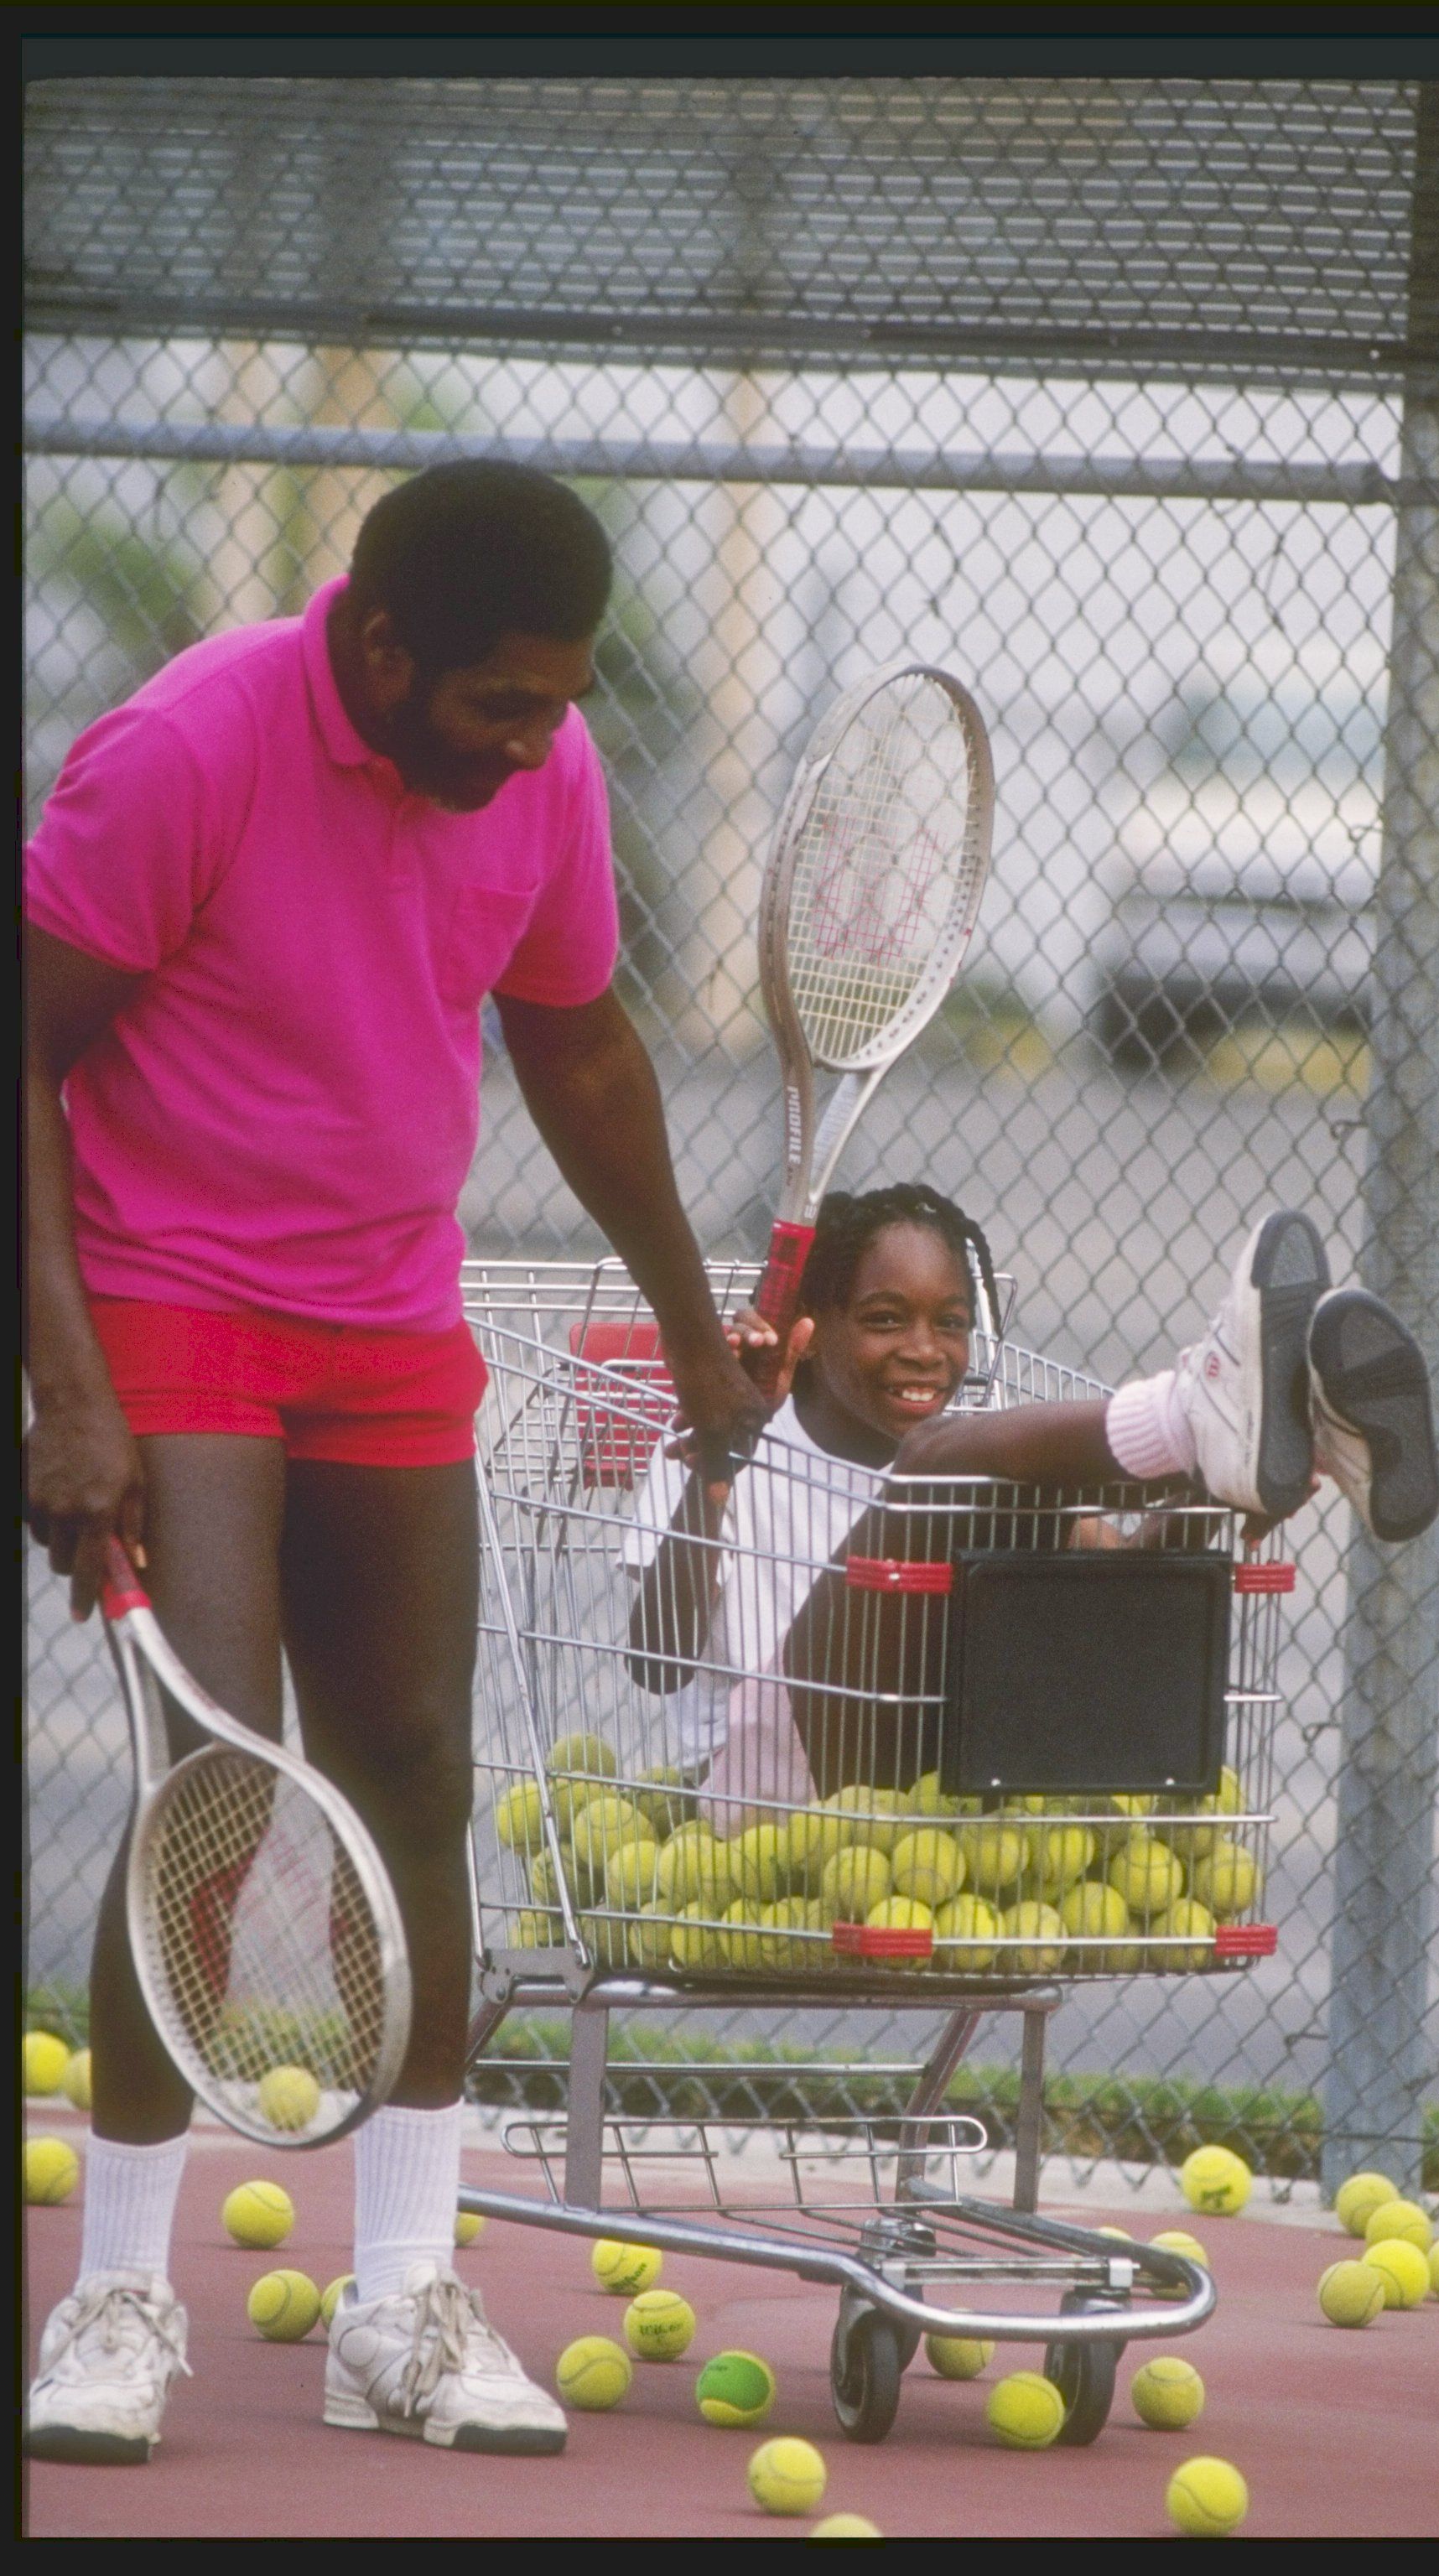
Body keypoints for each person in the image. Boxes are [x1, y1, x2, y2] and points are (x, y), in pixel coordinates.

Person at [24, 460, 765, 2465]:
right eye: (500, 702)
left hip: (378, 1309)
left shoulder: (544, 766)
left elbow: (581, 1039)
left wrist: (693, 1330)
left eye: (560, 700)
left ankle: (405, 2298)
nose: (538, 737)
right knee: (217, 1773)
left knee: (417, 1763)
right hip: (169, 1288)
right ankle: (114, 2285)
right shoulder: (189, 748)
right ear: (377, 645)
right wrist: (68, 1382)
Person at [624, 1183, 1439, 1816]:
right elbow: (656, 1661)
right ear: (810, 1327)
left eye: (949, 1323)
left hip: (946, 1781)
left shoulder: (978, 1464)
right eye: (883, 1319)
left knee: (1025, 1506)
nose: (923, 1351)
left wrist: (1196, 1518)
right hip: (766, 1797)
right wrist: (718, 1471)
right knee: (945, 1462)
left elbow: (1100, 1576)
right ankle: (1193, 1413)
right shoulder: (718, 1438)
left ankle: (1294, 1438)